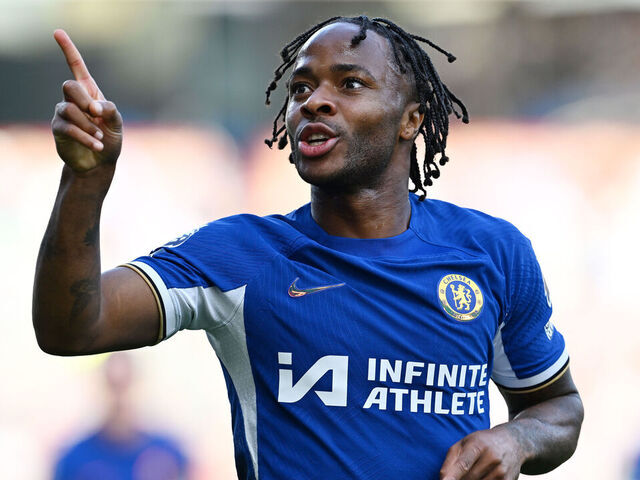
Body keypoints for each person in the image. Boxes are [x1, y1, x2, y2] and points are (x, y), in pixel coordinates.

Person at [35, 15, 584, 480]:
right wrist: (85, 179)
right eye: (301, 89)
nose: (315, 102)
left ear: (411, 119)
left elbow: (558, 408)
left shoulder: (492, 252)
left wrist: (517, 441)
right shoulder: (238, 255)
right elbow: (72, 327)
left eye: (349, 84)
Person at [52, 353, 189, 480]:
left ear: (139, 386)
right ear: (99, 389)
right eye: (112, 385)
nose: (119, 396)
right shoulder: (73, 460)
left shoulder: (169, 455)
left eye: (125, 384)